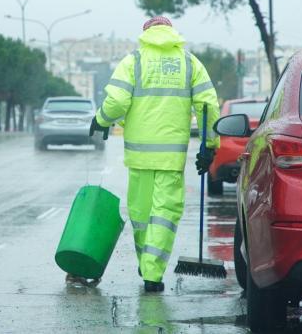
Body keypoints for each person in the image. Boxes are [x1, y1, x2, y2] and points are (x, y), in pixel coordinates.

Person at [90, 16, 220, 292]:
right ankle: (152, 271)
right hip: (171, 158)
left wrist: (101, 119)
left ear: (146, 33)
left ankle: (147, 265)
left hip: (139, 156)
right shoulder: (189, 63)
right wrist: (209, 145)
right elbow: (207, 105)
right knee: (164, 214)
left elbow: (117, 101)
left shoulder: (134, 61)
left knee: (141, 214)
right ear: (172, 32)